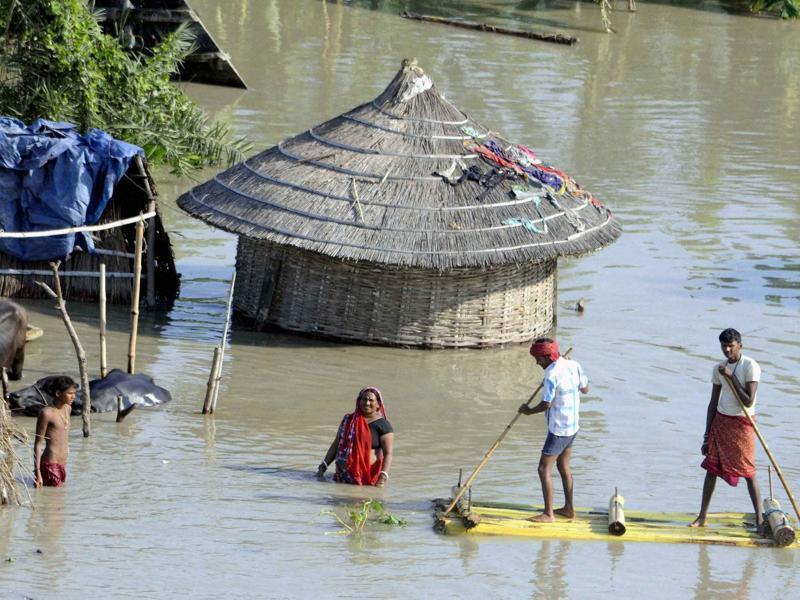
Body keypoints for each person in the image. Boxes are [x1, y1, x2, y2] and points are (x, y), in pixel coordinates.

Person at [690, 328, 763, 533]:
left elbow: (748, 401)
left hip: (742, 423)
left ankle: (759, 521)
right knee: (711, 469)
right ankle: (703, 516)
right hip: (721, 422)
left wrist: (731, 377)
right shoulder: (718, 368)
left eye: (731, 346)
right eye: (724, 346)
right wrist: (706, 434)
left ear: (740, 345)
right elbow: (713, 402)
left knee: (749, 472)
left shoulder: (750, 366)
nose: (727, 350)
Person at [519, 338, 588, 523]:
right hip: (573, 425)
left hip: (559, 429)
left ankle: (548, 514)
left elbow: (546, 404)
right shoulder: (573, 365)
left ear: (547, 357)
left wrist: (528, 411)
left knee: (543, 469)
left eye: (538, 359)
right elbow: (585, 389)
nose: (536, 362)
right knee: (563, 466)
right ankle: (568, 509)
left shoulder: (551, 374)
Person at [316, 387, 394, 486]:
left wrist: (383, 476)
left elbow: (388, 454)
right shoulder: (348, 420)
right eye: (364, 399)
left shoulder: (383, 425)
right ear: (359, 401)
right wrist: (323, 466)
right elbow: (336, 445)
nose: (367, 403)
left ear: (378, 404)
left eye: (371, 400)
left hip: (367, 480)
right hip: (342, 477)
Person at [33, 375, 77, 488]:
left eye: (74, 393)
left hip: (63, 464)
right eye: (69, 393)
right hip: (50, 465)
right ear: (58, 394)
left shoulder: (68, 409)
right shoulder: (47, 413)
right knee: (55, 500)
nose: (73, 397)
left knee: (58, 500)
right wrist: (37, 473)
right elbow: (38, 444)